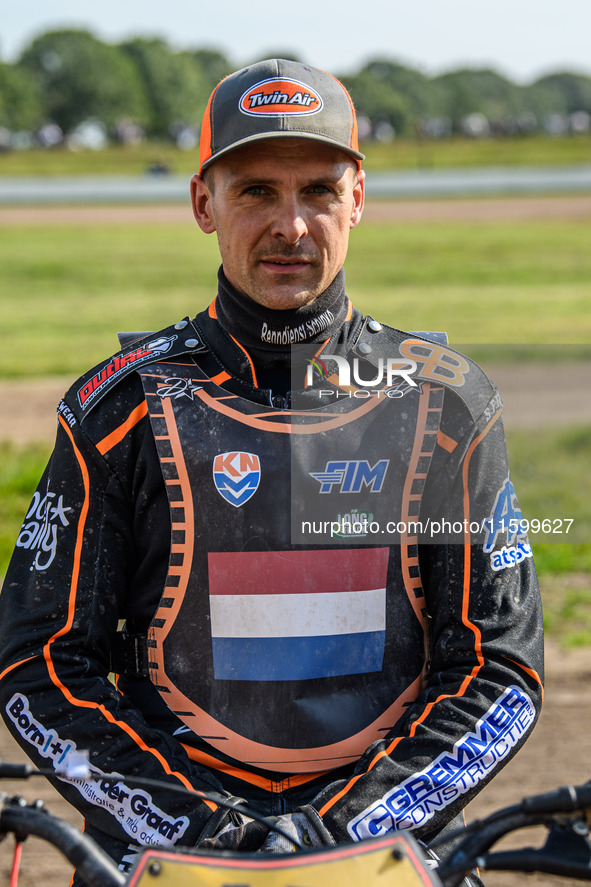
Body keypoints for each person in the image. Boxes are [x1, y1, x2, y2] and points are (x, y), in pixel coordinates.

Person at [0, 58, 543, 879]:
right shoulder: (119, 409)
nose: (290, 225)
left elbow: (497, 666)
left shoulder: (448, 403)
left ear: (357, 199)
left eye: (317, 191)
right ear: (202, 204)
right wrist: (200, 829)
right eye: (255, 190)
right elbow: (37, 662)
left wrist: (339, 832)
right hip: (169, 848)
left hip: (383, 851)